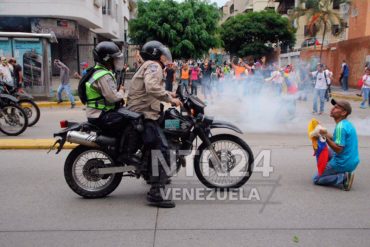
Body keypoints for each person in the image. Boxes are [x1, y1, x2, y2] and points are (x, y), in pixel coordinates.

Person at [127, 40, 182, 208]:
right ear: (155, 54)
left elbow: (150, 88)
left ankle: (152, 175)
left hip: (143, 111)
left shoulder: (151, 65)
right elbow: (151, 88)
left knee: (164, 135)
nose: (165, 57)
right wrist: (170, 99)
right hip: (144, 113)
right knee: (162, 150)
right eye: (163, 54)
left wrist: (169, 93)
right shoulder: (154, 66)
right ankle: (156, 192)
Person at [313, 99, 359, 191]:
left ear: (344, 112)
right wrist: (322, 130)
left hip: (342, 162)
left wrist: (325, 138)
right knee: (323, 150)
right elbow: (335, 138)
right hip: (352, 160)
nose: (332, 109)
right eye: (333, 106)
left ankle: (343, 178)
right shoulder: (345, 124)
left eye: (336, 107)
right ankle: (334, 171)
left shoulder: (340, 127)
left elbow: (338, 149)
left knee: (317, 179)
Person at [84, 41, 125, 131]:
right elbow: (113, 98)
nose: (116, 61)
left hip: (96, 113)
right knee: (131, 120)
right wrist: (121, 91)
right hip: (100, 115)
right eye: (114, 59)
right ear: (107, 59)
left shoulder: (96, 71)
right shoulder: (103, 75)